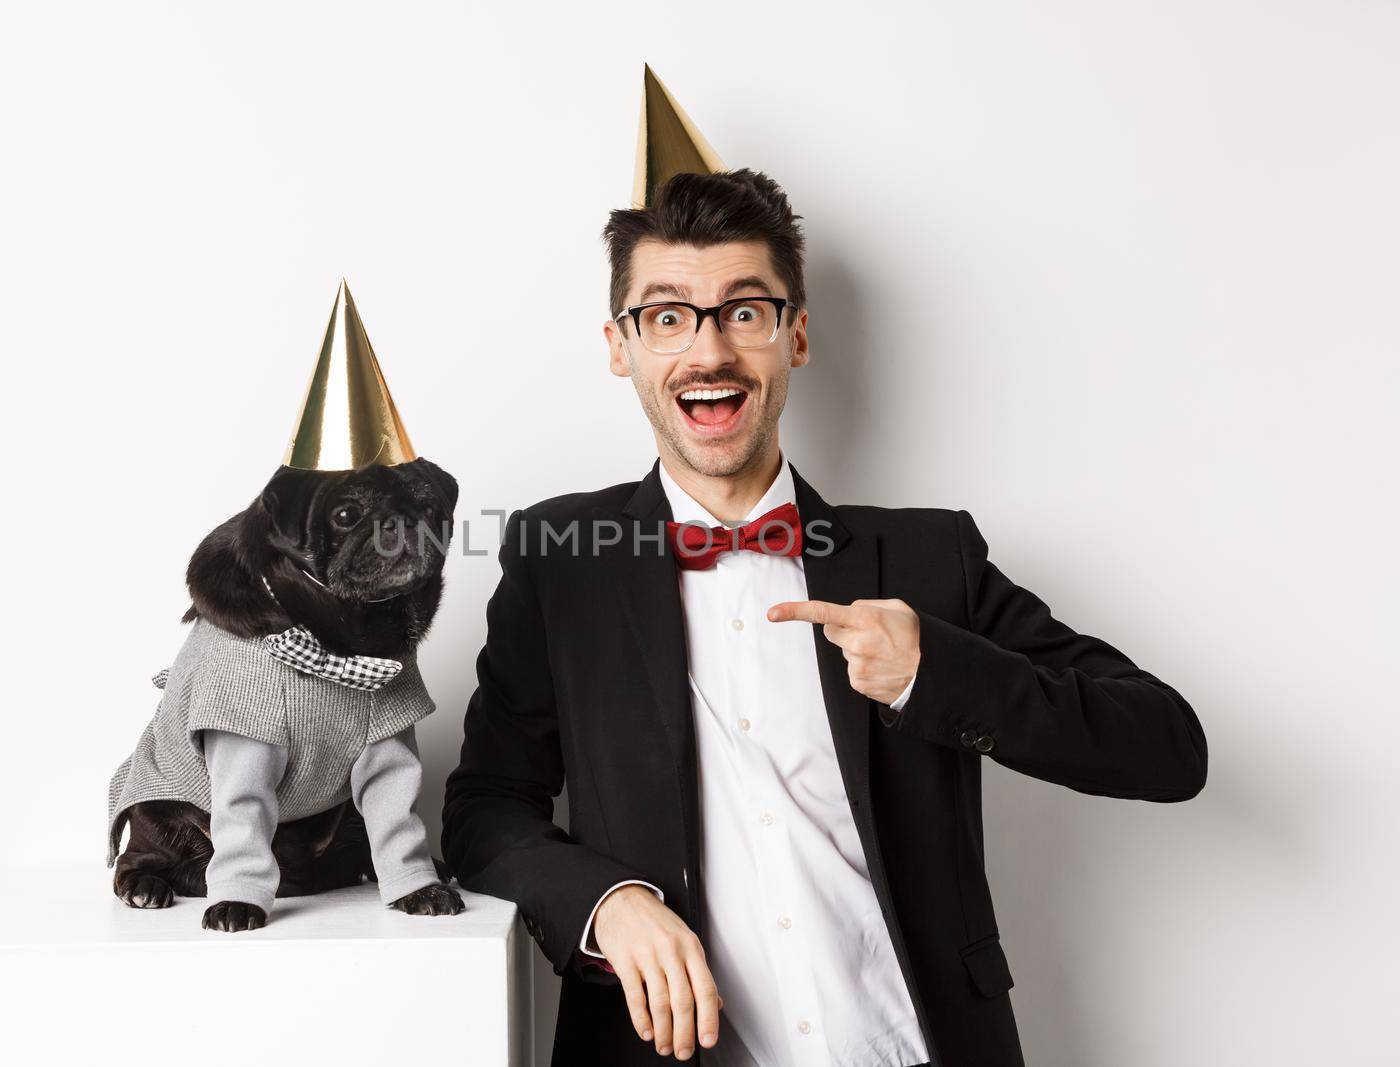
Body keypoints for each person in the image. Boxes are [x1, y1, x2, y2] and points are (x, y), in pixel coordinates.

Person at [441, 168, 1206, 1066]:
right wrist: (608, 902)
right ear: (622, 347)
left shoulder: (928, 560)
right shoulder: (561, 555)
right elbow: (484, 810)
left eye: (745, 311)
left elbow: (1168, 747)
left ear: (795, 335)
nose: (709, 351)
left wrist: (938, 672)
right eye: (667, 316)